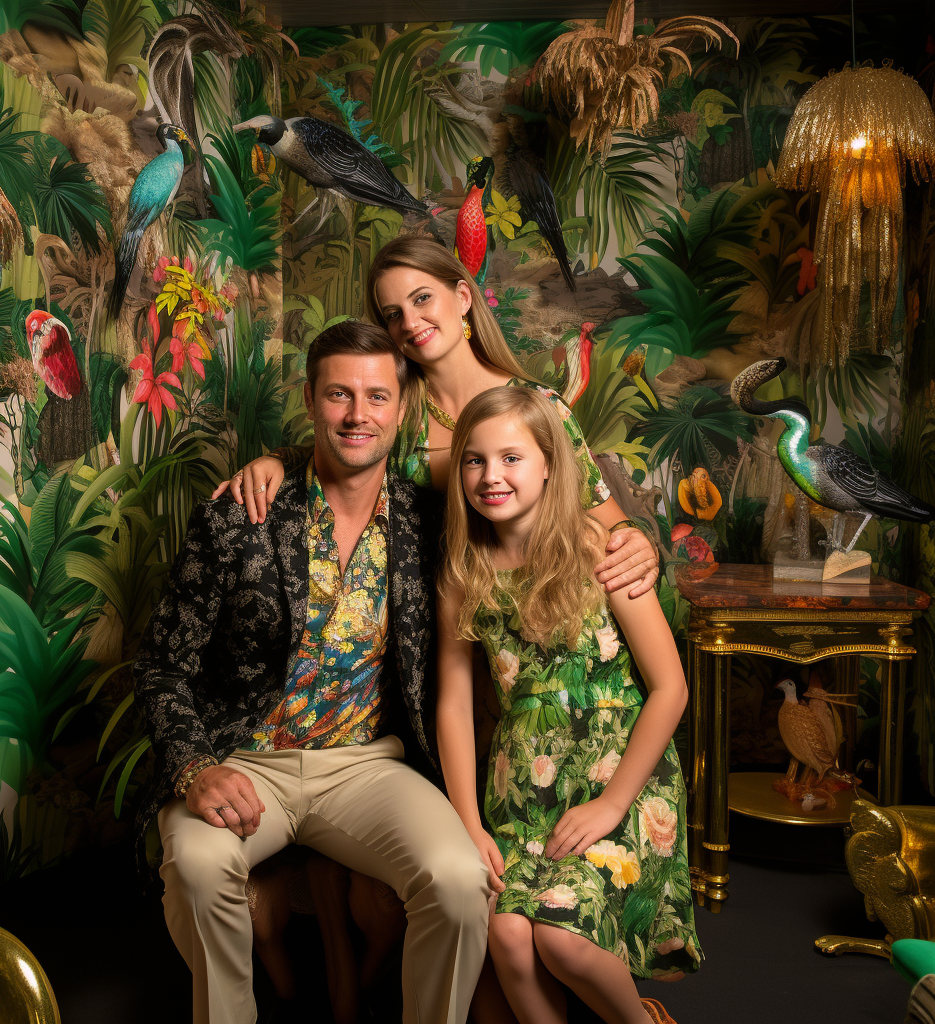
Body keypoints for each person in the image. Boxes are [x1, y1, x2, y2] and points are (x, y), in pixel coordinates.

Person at [133, 321, 489, 1024]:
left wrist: (632, 541)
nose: (358, 414)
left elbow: (542, 517)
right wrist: (195, 767)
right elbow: (162, 664)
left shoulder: (430, 522)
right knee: (201, 869)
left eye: (376, 397)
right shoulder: (242, 513)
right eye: (339, 394)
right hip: (244, 758)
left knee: (459, 881)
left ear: (401, 406)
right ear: (310, 399)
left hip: (366, 766)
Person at [436, 386, 700, 1024]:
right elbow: (453, 705)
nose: (491, 476)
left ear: (551, 462)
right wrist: (469, 824)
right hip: (522, 794)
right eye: (473, 461)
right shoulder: (464, 571)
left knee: (560, 938)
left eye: (511, 458)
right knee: (506, 937)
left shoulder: (599, 549)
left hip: (619, 781)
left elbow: (672, 687)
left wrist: (612, 804)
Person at [213, 236, 659, 597]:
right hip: (425, 624)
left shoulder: (540, 409)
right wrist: (277, 460)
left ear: (462, 296)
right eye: (393, 314)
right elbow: (341, 454)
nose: (410, 322)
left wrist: (634, 542)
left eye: (422, 298)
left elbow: (607, 520)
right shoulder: (397, 413)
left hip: (524, 616)